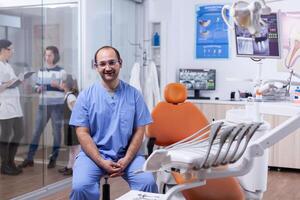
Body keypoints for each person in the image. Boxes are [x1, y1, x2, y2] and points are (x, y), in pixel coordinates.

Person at [69, 46, 158, 200]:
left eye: (112, 62)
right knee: (81, 186)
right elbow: (82, 132)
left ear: (120, 63)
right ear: (96, 66)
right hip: (93, 156)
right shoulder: (85, 96)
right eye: (102, 64)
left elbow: (139, 130)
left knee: (147, 183)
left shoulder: (134, 95)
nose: (108, 68)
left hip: (128, 155)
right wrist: (101, 161)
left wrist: (127, 159)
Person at [19, 46, 66, 169]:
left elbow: (67, 88)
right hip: (43, 106)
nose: (47, 57)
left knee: (56, 134)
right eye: (46, 55)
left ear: (55, 56)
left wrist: (59, 86)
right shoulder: (41, 71)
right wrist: (37, 88)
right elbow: (36, 86)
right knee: (36, 133)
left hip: (57, 106)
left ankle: (53, 159)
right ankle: (29, 158)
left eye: (50, 55)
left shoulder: (62, 71)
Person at [0, 39, 24, 175]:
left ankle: (11, 162)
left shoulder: (7, 65)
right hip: (5, 106)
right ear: (3, 50)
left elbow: (12, 81)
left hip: (15, 106)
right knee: (5, 136)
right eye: (11, 49)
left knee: (20, 133)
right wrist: (10, 82)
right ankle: (4, 165)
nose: (13, 51)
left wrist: (19, 80)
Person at [58, 74, 80, 176]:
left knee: (75, 148)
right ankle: (69, 166)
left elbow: (77, 111)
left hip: (72, 126)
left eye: (61, 82)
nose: (60, 84)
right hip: (68, 125)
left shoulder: (70, 97)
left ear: (65, 84)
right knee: (72, 148)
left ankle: (75, 168)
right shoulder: (67, 95)